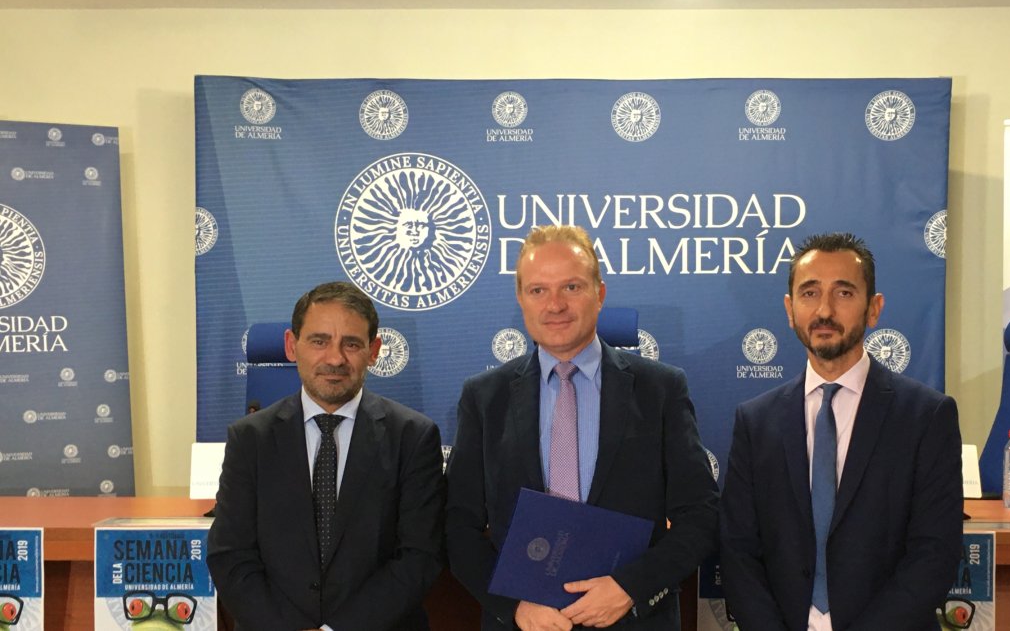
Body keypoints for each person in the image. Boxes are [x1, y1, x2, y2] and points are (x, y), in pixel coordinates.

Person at [446, 225, 719, 631]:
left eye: (571, 287)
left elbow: (701, 513)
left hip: (633, 620)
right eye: (538, 290)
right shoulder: (485, 397)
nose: (555, 304)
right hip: (524, 624)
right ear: (521, 299)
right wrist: (514, 606)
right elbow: (457, 523)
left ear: (600, 293)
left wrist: (631, 588)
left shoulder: (659, 389)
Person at [720, 233, 962, 631]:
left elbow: (934, 554)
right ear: (790, 309)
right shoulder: (756, 421)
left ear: (874, 309)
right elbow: (738, 551)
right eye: (809, 293)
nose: (825, 310)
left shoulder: (925, 416)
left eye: (844, 293)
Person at [208, 281, 445, 631]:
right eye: (319, 341)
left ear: (374, 350)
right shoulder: (249, 439)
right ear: (292, 346)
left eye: (351, 343)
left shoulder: (413, 437)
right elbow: (230, 554)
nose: (335, 358)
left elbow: (419, 556)